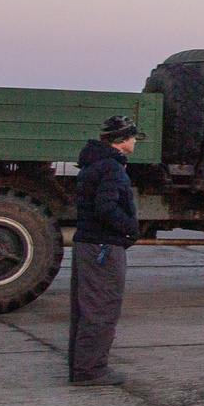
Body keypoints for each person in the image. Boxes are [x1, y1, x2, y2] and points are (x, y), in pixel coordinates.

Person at [69, 115, 143, 386]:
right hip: (103, 247)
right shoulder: (111, 169)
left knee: (86, 308)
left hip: (89, 243)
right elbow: (106, 208)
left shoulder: (93, 165)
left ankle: (83, 367)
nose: (135, 142)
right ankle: (90, 370)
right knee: (102, 307)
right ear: (122, 140)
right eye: (133, 137)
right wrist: (130, 230)